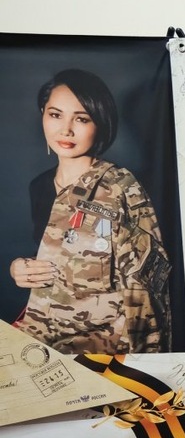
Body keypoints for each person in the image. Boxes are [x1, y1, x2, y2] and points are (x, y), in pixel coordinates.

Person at [7, 69, 170, 353]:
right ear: (43, 114)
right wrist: (19, 268)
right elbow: (61, 252)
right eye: (55, 115)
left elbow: (147, 287)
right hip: (45, 334)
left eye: (81, 119)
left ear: (100, 123)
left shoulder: (120, 187)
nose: (66, 130)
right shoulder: (40, 186)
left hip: (103, 350)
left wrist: (148, 364)